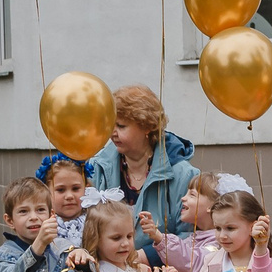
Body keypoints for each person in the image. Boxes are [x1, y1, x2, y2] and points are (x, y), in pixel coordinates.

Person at [85, 86, 201, 239]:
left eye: (120, 126)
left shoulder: (184, 175)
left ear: (147, 126)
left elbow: (190, 237)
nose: (112, 133)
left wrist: (145, 256)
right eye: (110, 125)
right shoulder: (96, 166)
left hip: (163, 262)